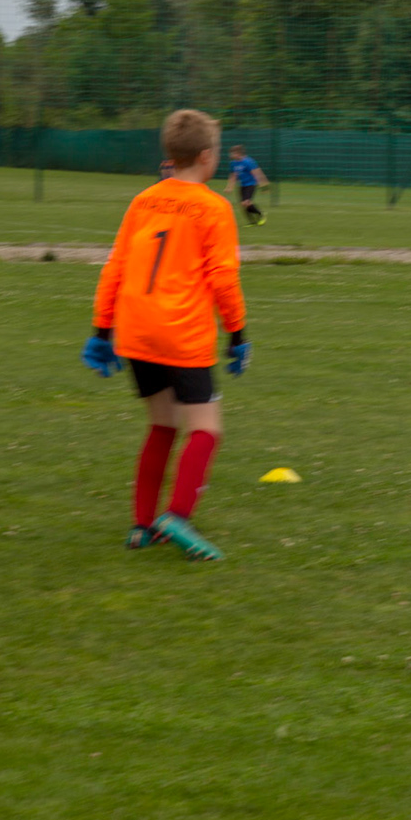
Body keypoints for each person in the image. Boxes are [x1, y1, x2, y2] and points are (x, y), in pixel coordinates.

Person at [82, 109, 248, 562]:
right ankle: (177, 516)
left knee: (161, 425)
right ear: (206, 156)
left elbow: (116, 265)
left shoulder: (143, 200)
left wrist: (101, 329)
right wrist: (237, 334)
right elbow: (223, 279)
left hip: (136, 332)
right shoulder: (214, 207)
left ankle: (141, 526)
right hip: (182, 334)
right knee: (207, 430)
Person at [225, 145, 270, 227]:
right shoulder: (233, 163)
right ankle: (252, 222)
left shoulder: (248, 162)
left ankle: (260, 214)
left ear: (238, 153)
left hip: (250, 184)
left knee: (246, 202)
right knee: (243, 205)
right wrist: (229, 187)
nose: (230, 155)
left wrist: (262, 185)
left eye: (232, 153)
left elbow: (255, 173)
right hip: (242, 185)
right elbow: (233, 176)